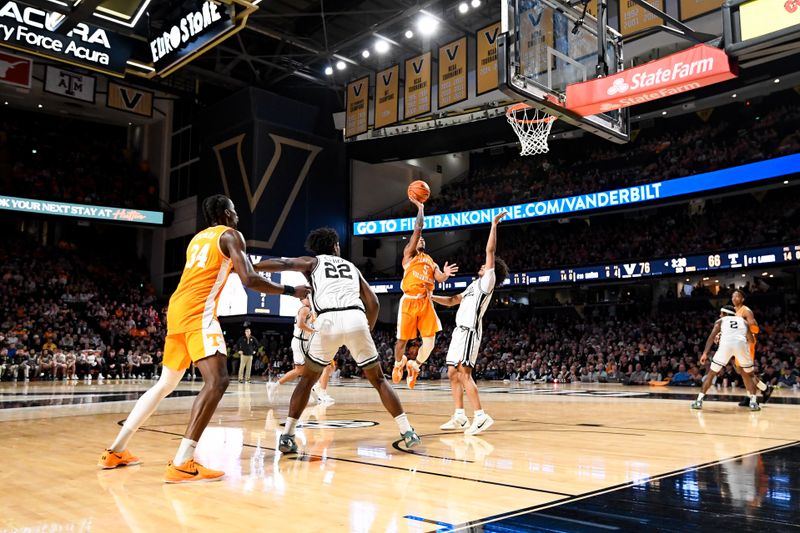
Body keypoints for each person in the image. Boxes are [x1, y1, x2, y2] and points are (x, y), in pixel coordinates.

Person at [98, 194, 309, 483]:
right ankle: (183, 461)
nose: (236, 216)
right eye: (233, 211)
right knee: (218, 381)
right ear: (224, 213)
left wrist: (268, 267)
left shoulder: (198, 240)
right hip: (199, 313)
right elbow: (248, 279)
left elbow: (244, 268)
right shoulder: (231, 235)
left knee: (165, 384)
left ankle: (116, 450)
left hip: (177, 311)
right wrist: (290, 290)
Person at [255, 227, 421, 453]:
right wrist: (366, 329)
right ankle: (407, 431)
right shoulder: (352, 267)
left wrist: (252, 267)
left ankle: (287, 436)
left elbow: (284, 263)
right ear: (335, 246)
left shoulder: (312, 262)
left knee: (306, 381)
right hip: (355, 317)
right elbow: (373, 303)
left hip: (327, 321)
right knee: (379, 381)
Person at [431, 212, 508, 436]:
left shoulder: (488, 282)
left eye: (486, 266)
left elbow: (490, 251)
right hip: (458, 332)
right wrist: (430, 297)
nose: (482, 266)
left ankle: (481, 416)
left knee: (464, 375)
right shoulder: (474, 285)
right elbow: (453, 300)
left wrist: (493, 225)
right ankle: (459, 416)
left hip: (469, 332)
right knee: (452, 373)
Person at [392, 195, 458, 388]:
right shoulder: (410, 255)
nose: (420, 239)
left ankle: (414, 365)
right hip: (409, 301)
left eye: (422, 240)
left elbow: (439, 278)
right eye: (417, 239)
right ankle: (398, 365)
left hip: (425, 302)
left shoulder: (431, 261)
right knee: (401, 342)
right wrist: (420, 208)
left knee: (429, 343)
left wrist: (445, 274)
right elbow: (418, 228)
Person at [265, 298, 335, 404]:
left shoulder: (309, 310)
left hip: (304, 342)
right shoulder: (305, 309)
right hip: (301, 342)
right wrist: (314, 331)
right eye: (306, 298)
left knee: (303, 370)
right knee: (318, 367)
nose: (309, 299)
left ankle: (275, 386)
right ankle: (319, 392)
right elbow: (300, 325)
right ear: (302, 300)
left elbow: (309, 324)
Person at [692, 305, 760, 411]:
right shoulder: (744, 322)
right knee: (750, 375)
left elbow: (711, 337)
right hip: (741, 345)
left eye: (721, 313)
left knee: (711, 374)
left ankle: (699, 401)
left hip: (725, 346)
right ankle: (753, 403)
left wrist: (705, 353)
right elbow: (751, 341)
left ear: (726, 314)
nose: (720, 315)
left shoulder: (720, 321)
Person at [731, 289, 774, 406]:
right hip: (738, 343)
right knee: (741, 371)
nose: (734, 299)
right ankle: (764, 389)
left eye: (737, 297)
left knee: (746, 372)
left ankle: (752, 396)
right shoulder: (733, 311)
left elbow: (755, 328)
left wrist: (745, 329)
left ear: (742, 299)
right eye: (733, 297)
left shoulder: (747, 311)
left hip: (747, 344)